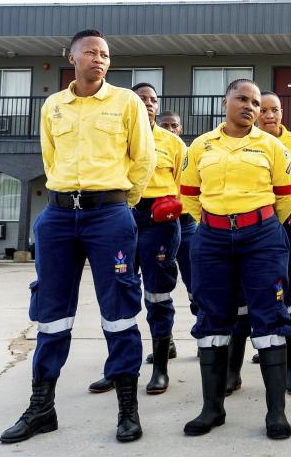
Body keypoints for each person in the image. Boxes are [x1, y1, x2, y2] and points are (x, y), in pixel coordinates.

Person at [0, 29, 156, 444]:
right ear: (71, 58)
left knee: (120, 309)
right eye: (91, 52)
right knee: (52, 312)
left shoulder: (126, 103)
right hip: (57, 217)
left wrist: (120, 203)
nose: (99, 59)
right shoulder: (53, 106)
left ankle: (127, 408)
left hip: (109, 215)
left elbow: (143, 159)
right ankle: (41, 407)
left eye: (105, 53)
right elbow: (50, 157)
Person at [179, 79, 291, 439]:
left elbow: (287, 197)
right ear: (225, 101)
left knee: (269, 317)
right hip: (212, 237)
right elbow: (188, 195)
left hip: (262, 238)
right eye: (242, 99)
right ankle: (211, 409)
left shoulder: (272, 147)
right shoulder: (201, 146)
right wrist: (218, 224)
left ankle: (275, 413)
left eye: (256, 103)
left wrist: (254, 224)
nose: (250, 107)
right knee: (212, 318)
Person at [88, 84, 186, 396]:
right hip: (118, 216)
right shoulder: (112, 138)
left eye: (154, 100)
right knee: (118, 292)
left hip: (159, 221)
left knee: (157, 295)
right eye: (141, 99)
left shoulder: (172, 143)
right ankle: (118, 368)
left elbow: (186, 187)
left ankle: (159, 368)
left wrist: (172, 207)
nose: (148, 104)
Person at [233, 92, 291, 397]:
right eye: (263, 109)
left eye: (275, 110)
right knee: (240, 299)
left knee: (287, 296)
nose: (268, 115)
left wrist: (289, 218)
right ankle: (232, 372)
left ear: (282, 112)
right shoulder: (240, 140)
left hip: (287, 228)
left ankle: (290, 371)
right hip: (247, 231)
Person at [157, 110, 200, 331]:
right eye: (165, 125)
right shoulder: (150, 150)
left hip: (187, 223)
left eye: (174, 126)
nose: (170, 130)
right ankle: (165, 339)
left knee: (195, 281)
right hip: (159, 224)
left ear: (180, 128)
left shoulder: (191, 152)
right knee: (159, 284)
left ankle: (204, 332)